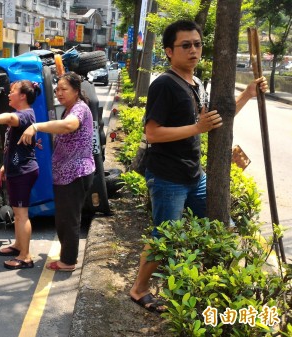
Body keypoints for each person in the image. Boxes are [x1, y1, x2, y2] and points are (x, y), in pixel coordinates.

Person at [127, 19, 268, 314]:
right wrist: (196, 128)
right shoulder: (164, 84)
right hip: (167, 177)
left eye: (197, 44)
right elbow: (152, 133)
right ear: (168, 51)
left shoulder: (196, 82)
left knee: (224, 225)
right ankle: (138, 289)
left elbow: (214, 121)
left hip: (194, 174)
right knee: (163, 236)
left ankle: (210, 285)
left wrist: (246, 95)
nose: (193, 50)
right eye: (185, 45)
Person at [19, 72, 95, 273]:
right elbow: (66, 135)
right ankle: (66, 255)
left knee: (68, 219)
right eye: (57, 89)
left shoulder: (79, 109)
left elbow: (69, 126)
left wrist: (36, 126)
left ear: (76, 91)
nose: (59, 93)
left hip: (75, 173)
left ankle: (68, 261)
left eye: (64, 89)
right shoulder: (69, 109)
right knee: (63, 217)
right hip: (65, 173)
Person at [0, 80, 41, 269]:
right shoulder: (22, 114)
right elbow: (14, 146)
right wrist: (5, 166)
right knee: (17, 213)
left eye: (12, 91)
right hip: (16, 170)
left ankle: (25, 256)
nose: (9, 94)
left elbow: (10, 118)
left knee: (22, 215)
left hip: (23, 172)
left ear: (22, 96)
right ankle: (18, 245)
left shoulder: (24, 115)